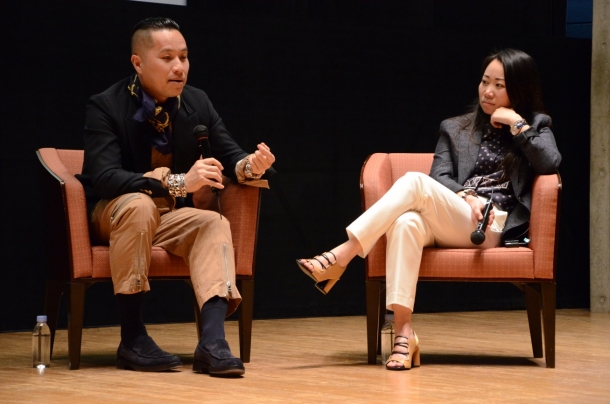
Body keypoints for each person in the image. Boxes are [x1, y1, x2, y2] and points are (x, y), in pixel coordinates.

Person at [296, 49, 561, 371]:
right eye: (484, 81)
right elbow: (439, 177)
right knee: (406, 221)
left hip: (491, 226)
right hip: (456, 215)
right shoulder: (456, 128)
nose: (487, 91)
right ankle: (404, 335)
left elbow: (549, 162)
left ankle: (342, 255)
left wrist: (516, 122)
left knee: (412, 181)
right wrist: (466, 195)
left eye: (499, 85)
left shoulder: (536, 126)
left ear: (519, 89)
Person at [77, 17, 275, 376]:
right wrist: (180, 183)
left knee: (212, 222)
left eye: (183, 57)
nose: (179, 67)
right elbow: (105, 178)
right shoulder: (106, 105)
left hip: (166, 217)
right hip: (113, 212)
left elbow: (231, 154)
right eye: (167, 57)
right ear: (138, 62)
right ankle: (133, 337)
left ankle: (212, 342)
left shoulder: (196, 101)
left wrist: (251, 166)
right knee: (138, 205)